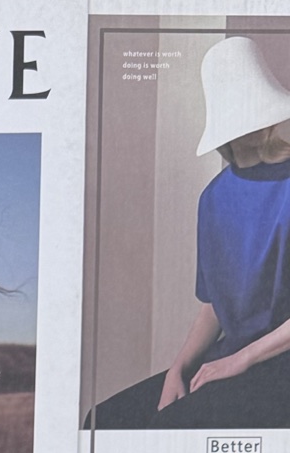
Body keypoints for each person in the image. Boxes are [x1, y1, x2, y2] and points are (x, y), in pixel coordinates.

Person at [89, 37, 290, 431]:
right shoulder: (212, 198)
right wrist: (178, 368)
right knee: (104, 421)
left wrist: (240, 360)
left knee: (171, 428)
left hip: (276, 364)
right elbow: (214, 305)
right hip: (232, 356)